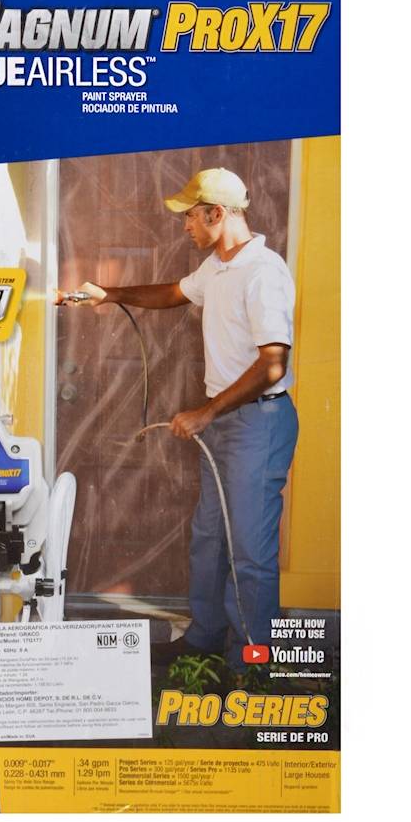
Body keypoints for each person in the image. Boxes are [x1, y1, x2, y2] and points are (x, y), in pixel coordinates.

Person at [70, 167, 298, 672]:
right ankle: (205, 638)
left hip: (258, 424)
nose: (185, 226)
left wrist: (205, 412)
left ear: (217, 214)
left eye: (191, 216)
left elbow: (272, 365)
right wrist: (109, 293)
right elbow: (173, 293)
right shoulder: (217, 267)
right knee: (209, 537)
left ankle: (252, 664)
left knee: (250, 552)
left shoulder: (263, 272)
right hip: (224, 424)